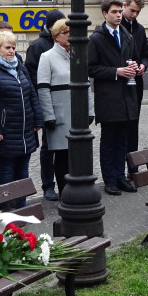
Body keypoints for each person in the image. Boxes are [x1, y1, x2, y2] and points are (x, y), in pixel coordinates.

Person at [0, 30, 43, 208]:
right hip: (6, 131)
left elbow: (31, 94)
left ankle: (21, 208)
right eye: (7, 47)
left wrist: (38, 119)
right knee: (5, 172)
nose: (11, 51)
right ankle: (5, 210)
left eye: (13, 47)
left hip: (25, 130)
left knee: (23, 172)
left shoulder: (19, 67)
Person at [89, 0, 141, 195]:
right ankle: (109, 179)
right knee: (109, 141)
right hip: (108, 98)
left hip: (127, 96)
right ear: (104, 14)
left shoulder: (127, 35)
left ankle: (120, 177)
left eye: (120, 11)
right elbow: (91, 68)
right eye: (114, 12)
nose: (119, 15)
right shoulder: (97, 38)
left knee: (123, 140)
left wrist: (134, 67)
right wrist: (116, 71)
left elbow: (134, 58)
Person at [38, 20, 91, 199]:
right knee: (61, 156)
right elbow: (43, 88)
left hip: (78, 114)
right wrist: (48, 115)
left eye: (71, 32)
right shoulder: (47, 57)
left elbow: (87, 84)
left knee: (78, 155)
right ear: (55, 36)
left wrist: (89, 110)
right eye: (65, 32)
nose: (69, 35)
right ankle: (65, 193)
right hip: (59, 114)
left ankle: (78, 190)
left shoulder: (78, 54)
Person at [23, 8, 66, 200]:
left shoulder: (69, 45)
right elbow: (33, 76)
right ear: (51, 29)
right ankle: (48, 184)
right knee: (48, 148)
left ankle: (66, 182)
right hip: (46, 104)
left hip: (66, 105)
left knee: (67, 149)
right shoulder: (38, 47)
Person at [120, 0, 148, 180]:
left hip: (136, 83)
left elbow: (145, 54)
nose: (134, 15)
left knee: (133, 126)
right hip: (121, 82)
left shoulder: (140, 29)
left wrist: (143, 65)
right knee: (121, 127)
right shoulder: (117, 27)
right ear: (125, 6)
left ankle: (133, 166)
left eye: (137, 12)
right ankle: (120, 167)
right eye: (132, 11)